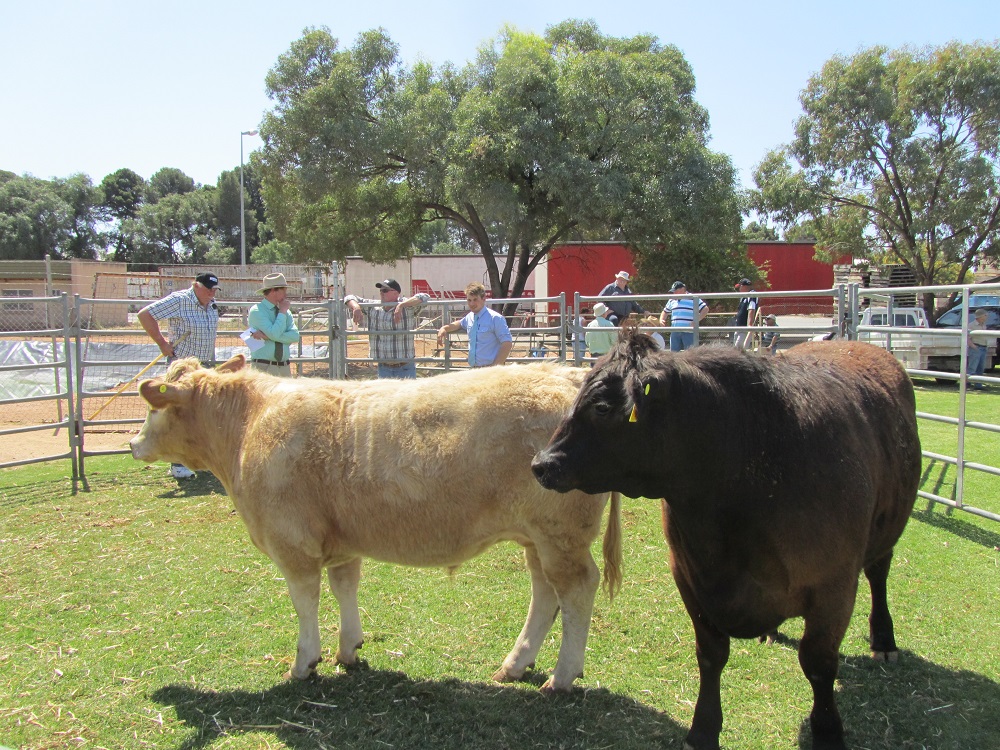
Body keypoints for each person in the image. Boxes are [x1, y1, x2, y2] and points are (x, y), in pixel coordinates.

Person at [137, 272, 220, 480]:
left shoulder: (212, 304)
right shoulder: (180, 300)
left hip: (205, 368)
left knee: (203, 415)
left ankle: (201, 459)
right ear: (196, 286)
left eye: (214, 289)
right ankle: (177, 463)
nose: (211, 293)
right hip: (182, 370)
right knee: (179, 414)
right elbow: (145, 314)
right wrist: (162, 343)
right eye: (208, 288)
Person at [345, 279, 430, 379]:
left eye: (385, 290)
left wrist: (401, 305)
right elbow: (349, 297)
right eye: (380, 290)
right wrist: (356, 307)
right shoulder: (373, 307)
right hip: (383, 367)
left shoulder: (408, 308)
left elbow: (425, 297)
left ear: (396, 293)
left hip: (405, 367)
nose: (381, 293)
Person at [436, 282, 512, 367]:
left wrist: (495, 367)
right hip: (474, 369)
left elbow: (507, 343)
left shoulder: (495, 318)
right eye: (469, 300)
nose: (471, 304)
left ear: (483, 298)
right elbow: (459, 323)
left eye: (475, 299)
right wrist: (444, 328)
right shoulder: (470, 317)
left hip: (490, 369)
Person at [247, 273, 301, 377]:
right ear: (273, 290)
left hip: (284, 368)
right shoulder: (257, 311)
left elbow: (295, 336)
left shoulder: (285, 311)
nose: (286, 294)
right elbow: (274, 334)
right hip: (263, 368)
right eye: (283, 290)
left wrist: (267, 336)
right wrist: (282, 312)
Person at [659, 281, 708, 352]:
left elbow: (705, 309)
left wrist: (697, 320)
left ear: (682, 289)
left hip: (689, 331)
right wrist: (662, 320)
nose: (674, 293)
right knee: (674, 354)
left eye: (675, 291)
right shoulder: (672, 299)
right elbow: (665, 311)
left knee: (691, 354)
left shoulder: (693, 298)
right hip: (675, 331)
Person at [734, 278, 759, 350]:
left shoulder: (752, 295)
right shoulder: (744, 296)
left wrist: (749, 326)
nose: (739, 289)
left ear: (744, 286)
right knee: (736, 348)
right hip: (738, 326)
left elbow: (751, 309)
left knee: (739, 349)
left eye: (740, 287)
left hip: (744, 327)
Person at [967, 308, 989, 390]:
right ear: (980, 316)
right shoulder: (971, 325)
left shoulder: (984, 325)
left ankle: (978, 385)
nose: (987, 317)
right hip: (976, 347)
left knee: (981, 367)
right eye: (985, 315)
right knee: (972, 367)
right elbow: (967, 337)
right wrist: (973, 346)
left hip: (984, 347)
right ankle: (967, 383)